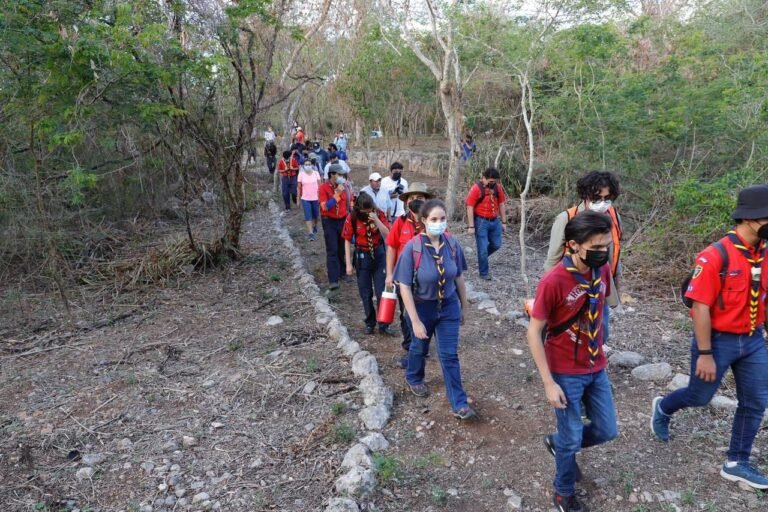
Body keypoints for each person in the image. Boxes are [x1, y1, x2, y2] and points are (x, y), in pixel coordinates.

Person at [651, 184, 768, 489]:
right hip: (718, 341)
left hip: (753, 339)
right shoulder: (715, 255)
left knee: (755, 401)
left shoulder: (764, 254)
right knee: (699, 396)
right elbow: (700, 308)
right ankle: (663, 407)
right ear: (752, 219)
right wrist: (705, 353)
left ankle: (737, 461)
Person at [527, 211, 618, 512]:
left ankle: (558, 444)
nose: (602, 252)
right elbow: (534, 331)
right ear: (574, 245)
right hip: (565, 372)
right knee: (572, 436)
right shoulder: (554, 281)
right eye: (596, 247)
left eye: (606, 246)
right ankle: (563, 493)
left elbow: (603, 306)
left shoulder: (601, 271)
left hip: (596, 366)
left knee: (607, 430)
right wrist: (548, 383)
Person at [393, 199, 475, 420]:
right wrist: (415, 320)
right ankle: (414, 376)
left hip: (448, 306)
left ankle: (459, 403)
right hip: (422, 307)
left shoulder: (452, 244)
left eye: (442, 219)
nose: (439, 223)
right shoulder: (413, 248)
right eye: (434, 219)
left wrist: (464, 308)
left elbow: (458, 276)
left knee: (449, 355)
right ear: (424, 221)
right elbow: (404, 286)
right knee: (419, 347)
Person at [544, 171, 623, 343]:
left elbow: (615, 255)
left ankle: (594, 364)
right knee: (572, 334)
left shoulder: (614, 218)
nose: (602, 203)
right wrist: (547, 294)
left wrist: (617, 288)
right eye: (596, 198)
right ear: (585, 196)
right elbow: (552, 259)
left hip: (600, 285)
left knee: (601, 334)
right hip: (571, 288)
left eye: (607, 198)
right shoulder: (567, 218)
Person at [385, 182, 432, 368]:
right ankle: (411, 347)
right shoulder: (400, 222)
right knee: (406, 314)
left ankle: (422, 347)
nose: (415, 201)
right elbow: (391, 247)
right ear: (406, 202)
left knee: (426, 313)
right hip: (404, 278)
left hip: (428, 279)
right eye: (411, 198)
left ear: (426, 200)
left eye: (419, 197)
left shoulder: (434, 222)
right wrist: (390, 274)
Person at [343, 192, 394, 335]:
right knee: (365, 292)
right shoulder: (352, 217)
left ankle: (384, 324)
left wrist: (376, 219)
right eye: (365, 211)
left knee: (381, 292)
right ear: (359, 209)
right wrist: (348, 264)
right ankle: (370, 322)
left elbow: (388, 234)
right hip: (362, 255)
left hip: (378, 254)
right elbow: (347, 239)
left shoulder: (379, 213)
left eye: (370, 210)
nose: (368, 213)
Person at [465, 167, 508, 280]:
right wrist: (471, 226)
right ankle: (484, 273)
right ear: (484, 178)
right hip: (481, 222)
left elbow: (502, 204)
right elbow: (470, 207)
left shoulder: (498, 188)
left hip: (495, 221)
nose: (492, 184)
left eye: (494, 181)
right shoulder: (476, 189)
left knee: (496, 244)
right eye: (490, 181)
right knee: (483, 249)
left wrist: (504, 222)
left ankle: (482, 258)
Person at [318, 166, 351, 290]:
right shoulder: (323, 188)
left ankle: (342, 272)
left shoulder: (345, 187)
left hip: (342, 220)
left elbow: (349, 203)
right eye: (339, 174)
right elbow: (325, 207)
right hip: (329, 221)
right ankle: (333, 279)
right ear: (332, 174)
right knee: (332, 249)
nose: (342, 177)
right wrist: (337, 194)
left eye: (343, 175)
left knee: (342, 248)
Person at [297, 160, 322, 241]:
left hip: (316, 198)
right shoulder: (301, 175)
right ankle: (310, 233)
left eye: (309, 164)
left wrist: (321, 197)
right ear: (303, 166)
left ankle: (315, 226)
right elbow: (299, 187)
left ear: (312, 165)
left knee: (315, 215)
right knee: (308, 216)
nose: (308, 165)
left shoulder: (316, 173)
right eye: (306, 164)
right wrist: (298, 199)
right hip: (305, 199)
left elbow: (320, 185)